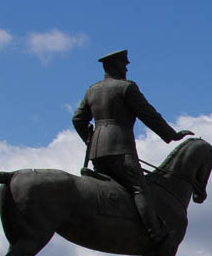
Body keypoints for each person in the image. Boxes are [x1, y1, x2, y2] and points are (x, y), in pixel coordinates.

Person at [72, 49, 194, 243]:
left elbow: (78, 119)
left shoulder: (91, 90)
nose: (127, 68)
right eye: (124, 64)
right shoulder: (126, 88)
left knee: (111, 188)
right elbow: (149, 114)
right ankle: (154, 232)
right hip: (120, 148)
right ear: (115, 66)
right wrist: (172, 135)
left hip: (97, 152)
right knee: (139, 188)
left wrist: (90, 139)